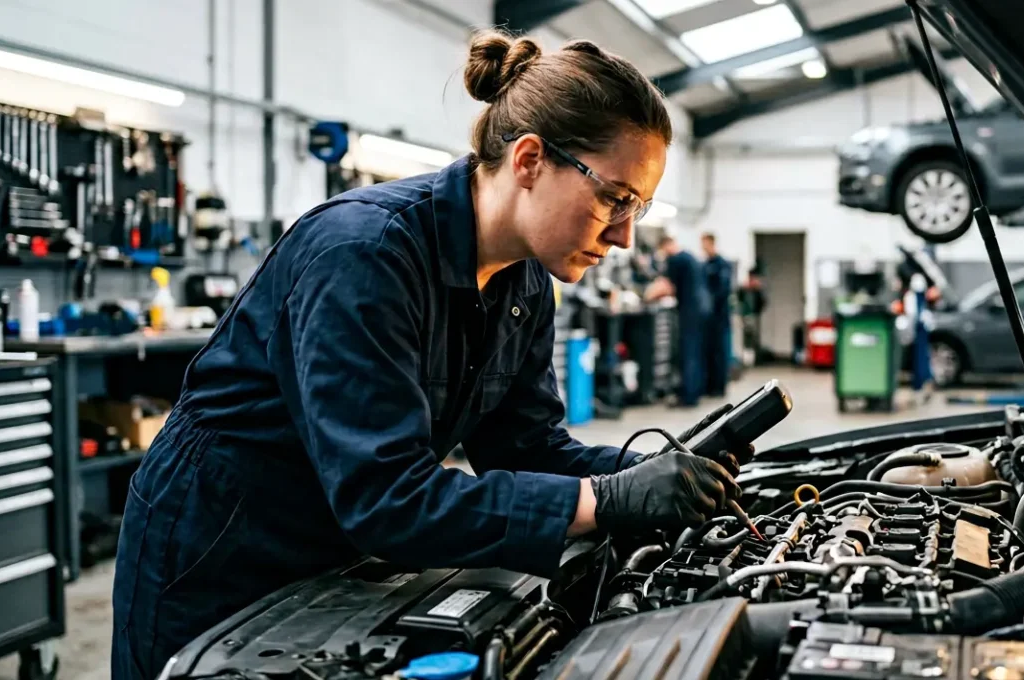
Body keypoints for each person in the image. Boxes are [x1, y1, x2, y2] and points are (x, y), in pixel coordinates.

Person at [111, 31, 746, 680]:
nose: (624, 235)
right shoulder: (364, 254)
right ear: (529, 161)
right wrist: (608, 500)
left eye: (637, 207)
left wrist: (660, 475)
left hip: (335, 545)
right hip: (218, 551)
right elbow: (388, 496)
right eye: (616, 199)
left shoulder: (523, 280)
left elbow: (526, 448)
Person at [647, 235, 711, 407]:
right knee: (696, 352)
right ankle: (696, 391)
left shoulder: (675, 259)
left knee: (688, 352)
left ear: (666, 246)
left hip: (690, 310)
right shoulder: (690, 256)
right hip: (703, 308)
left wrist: (646, 297)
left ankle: (688, 397)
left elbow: (665, 286)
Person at [701, 233, 733, 397]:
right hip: (708, 318)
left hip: (720, 317)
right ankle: (710, 386)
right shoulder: (705, 265)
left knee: (720, 353)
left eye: (705, 243)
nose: (703, 247)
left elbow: (723, 290)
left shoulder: (722, 264)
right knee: (710, 352)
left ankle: (719, 387)